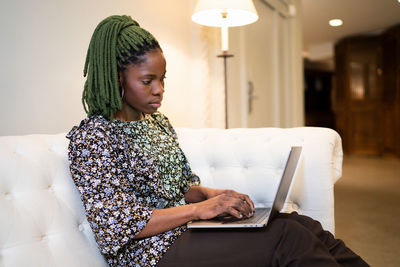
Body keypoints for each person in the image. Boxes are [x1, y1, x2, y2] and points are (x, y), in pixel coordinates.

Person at [67, 15, 369, 267]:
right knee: (290, 239)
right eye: (148, 81)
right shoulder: (93, 137)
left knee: (301, 225)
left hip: (185, 230)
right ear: (117, 78)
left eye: (163, 79)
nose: (159, 90)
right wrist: (201, 210)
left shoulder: (157, 124)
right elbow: (117, 225)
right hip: (148, 254)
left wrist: (214, 195)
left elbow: (181, 187)